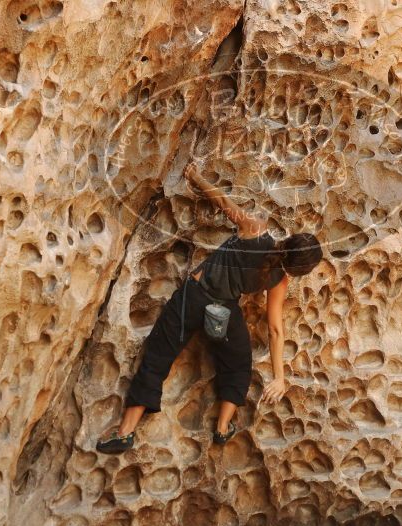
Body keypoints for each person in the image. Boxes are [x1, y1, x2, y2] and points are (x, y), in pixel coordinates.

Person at [96, 161, 323, 453]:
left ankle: (125, 432)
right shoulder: (279, 281)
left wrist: (194, 175)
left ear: (291, 239)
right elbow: (276, 330)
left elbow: (222, 202)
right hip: (223, 313)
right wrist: (279, 377)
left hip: (193, 296)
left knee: (158, 357)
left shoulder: (255, 230)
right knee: (239, 364)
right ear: (299, 269)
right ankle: (222, 427)